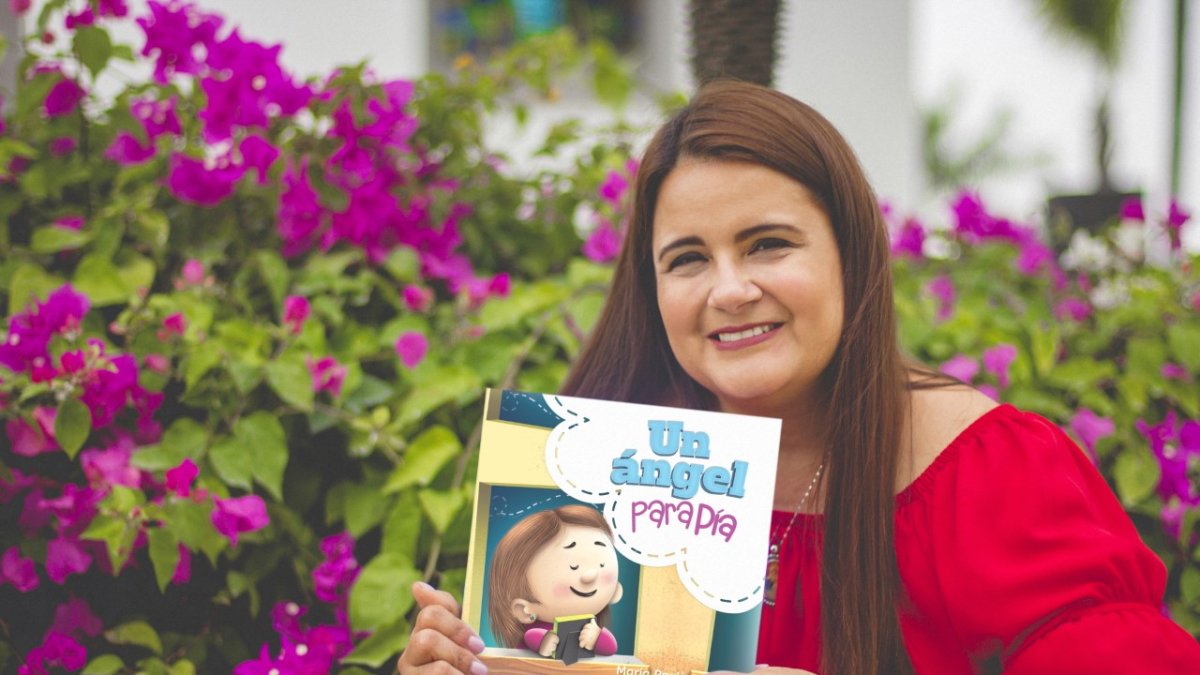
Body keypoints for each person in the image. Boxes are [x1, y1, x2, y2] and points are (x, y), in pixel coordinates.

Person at [397, 81, 1200, 674]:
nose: (729, 289)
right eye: (687, 258)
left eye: (768, 243)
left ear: (851, 253)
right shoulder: (593, 468)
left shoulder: (989, 472)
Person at [486, 505, 623, 658]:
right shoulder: (537, 632)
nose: (590, 576)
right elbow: (532, 637)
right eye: (573, 566)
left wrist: (596, 637)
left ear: (616, 591)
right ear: (524, 610)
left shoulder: (590, 627)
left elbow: (610, 647)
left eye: (601, 565)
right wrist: (544, 642)